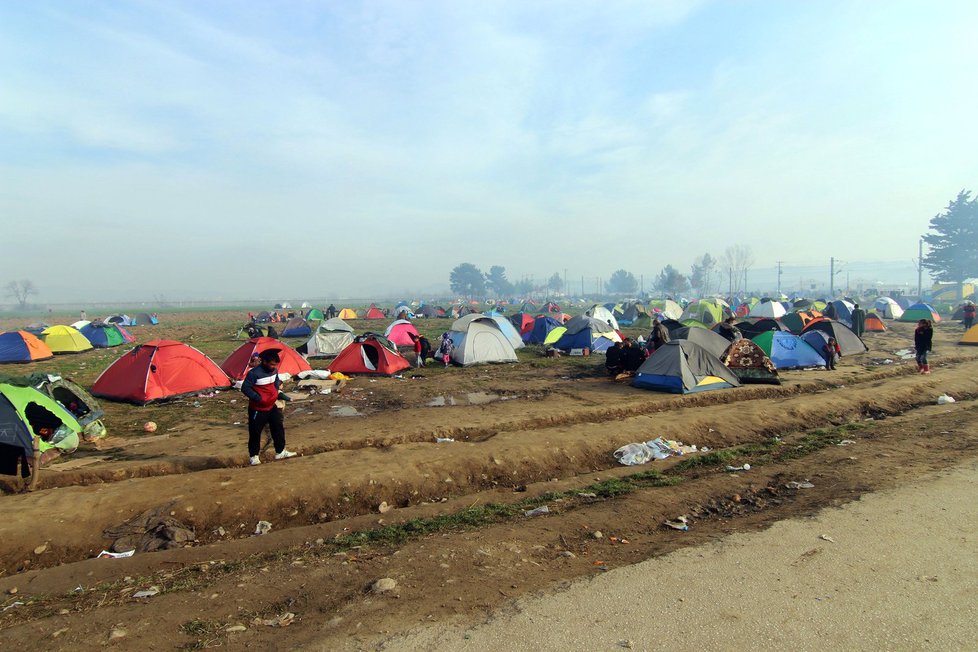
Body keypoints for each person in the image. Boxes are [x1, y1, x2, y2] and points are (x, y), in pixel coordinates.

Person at [241, 349, 296, 465]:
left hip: (271, 406)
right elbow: (245, 388)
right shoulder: (254, 373)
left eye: (275, 365)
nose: (273, 367)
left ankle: (280, 452)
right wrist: (259, 399)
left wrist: (277, 393)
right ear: (264, 361)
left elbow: (275, 384)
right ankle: (254, 457)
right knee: (255, 433)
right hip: (258, 409)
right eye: (271, 364)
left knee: (278, 428)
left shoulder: (274, 371)